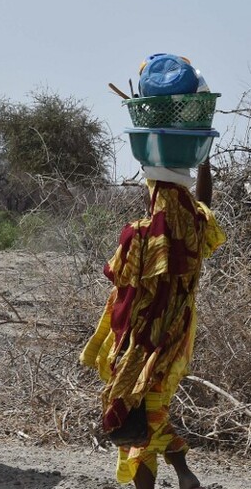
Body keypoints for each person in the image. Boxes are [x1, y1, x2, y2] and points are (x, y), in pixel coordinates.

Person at [80, 160, 224, 489]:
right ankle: (183, 473)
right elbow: (204, 204)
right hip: (178, 335)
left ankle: (176, 475)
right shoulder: (197, 224)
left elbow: (119, 275)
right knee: (153, 406)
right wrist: (203, 163)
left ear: (154, 192)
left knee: (134, 410)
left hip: (141, 338)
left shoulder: (140, 232)